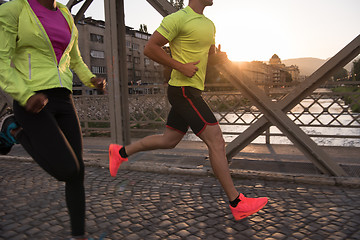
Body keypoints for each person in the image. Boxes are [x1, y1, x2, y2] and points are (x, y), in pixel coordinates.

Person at [109, 0, 268, 221]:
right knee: (217, 141)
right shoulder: (177, 19)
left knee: (168, 140)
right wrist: (180, 66)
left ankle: (119, 153)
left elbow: (206, 58)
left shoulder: (210, 25)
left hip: (192, 90)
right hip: (182, 90)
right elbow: (150, 48)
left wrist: (218, 59)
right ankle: (237, 202)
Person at [0, 0, 106, 239]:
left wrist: (92, 80)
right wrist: (25, 95)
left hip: (63, 98)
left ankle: (78, 235)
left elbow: (75, 60)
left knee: (78, 172)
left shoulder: (66, 15)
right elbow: (1, 62)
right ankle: (13, 129)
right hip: (32, 100)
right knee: (67, 169)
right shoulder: (13, 10)